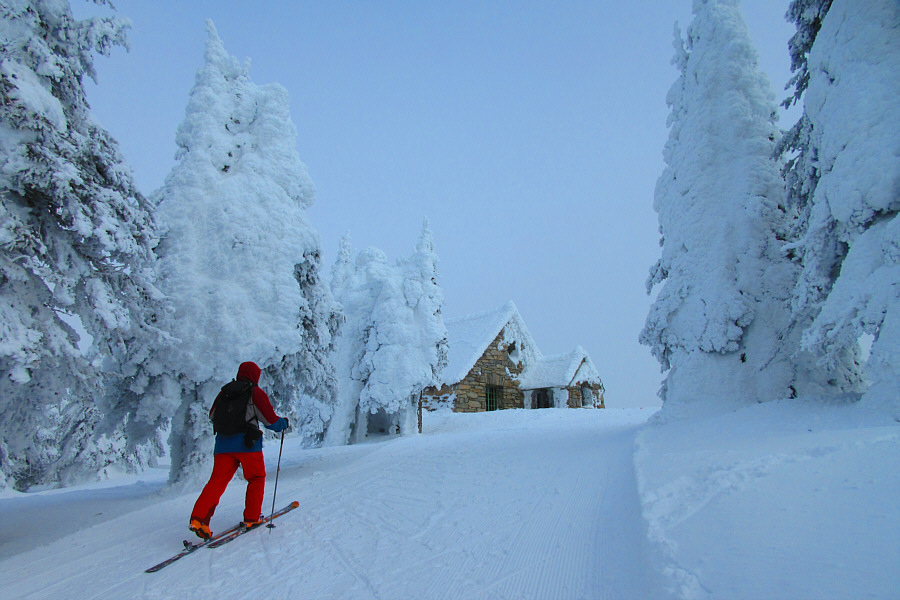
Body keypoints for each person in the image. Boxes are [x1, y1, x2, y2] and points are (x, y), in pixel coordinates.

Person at [189, 361, 289, 540]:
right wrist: (284, 423)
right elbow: (271, 421)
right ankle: (251, 518)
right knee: (256, 478)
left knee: (216, 482)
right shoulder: (254, 392)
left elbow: (212, 415)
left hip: (222, 446)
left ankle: (199, 520)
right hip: (247, 445)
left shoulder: (224, 392)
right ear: (255, 376)